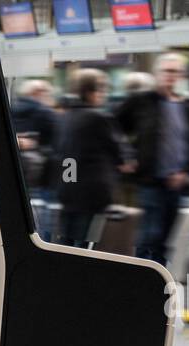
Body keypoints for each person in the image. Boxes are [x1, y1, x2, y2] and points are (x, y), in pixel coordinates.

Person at [115, 53, 189, 265]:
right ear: (157, 74)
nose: (170, 76)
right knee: (150, 234)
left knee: (165, 239)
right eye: (167, 71)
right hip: (150, 181)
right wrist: (125, 157)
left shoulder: (187, 108)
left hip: (176, 184)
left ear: (181, 76)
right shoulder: (141, 102)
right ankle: (141, 278)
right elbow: (113, 127)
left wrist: (186, 171)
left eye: (175, 72)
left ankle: (158, 282)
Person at [56, 69, 131, 247]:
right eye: (102, 89)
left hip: (68, 191)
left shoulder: (66, 117)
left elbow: (67, 155)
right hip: (92, 194)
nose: (104, 94)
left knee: (65, 244)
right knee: (86, 245)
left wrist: (70, 183)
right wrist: (125, 163)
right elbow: (119, 152)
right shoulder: (99, 117)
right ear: (90, 92)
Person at [11, 79, 57, 194]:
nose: (48, 96)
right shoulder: (44, 112)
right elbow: (58, 137)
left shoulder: (11, 110)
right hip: (41, 170)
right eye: (46, 93)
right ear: (37, 93)